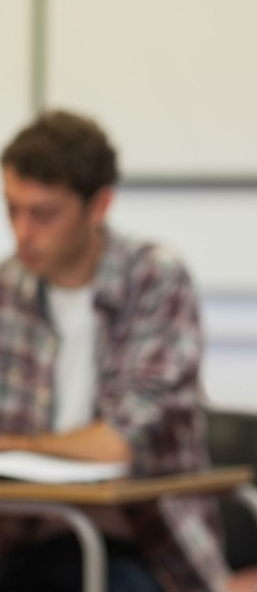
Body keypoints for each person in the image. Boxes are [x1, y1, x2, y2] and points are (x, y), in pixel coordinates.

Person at [0, 111, 225, 592]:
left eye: (43, 214)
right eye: (11, 207)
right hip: (20, 532)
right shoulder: (8, 286)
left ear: (99, 206)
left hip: (139, 544)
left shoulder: (155, 279)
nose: (22, 230)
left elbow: (117, 443)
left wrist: (16, 444)